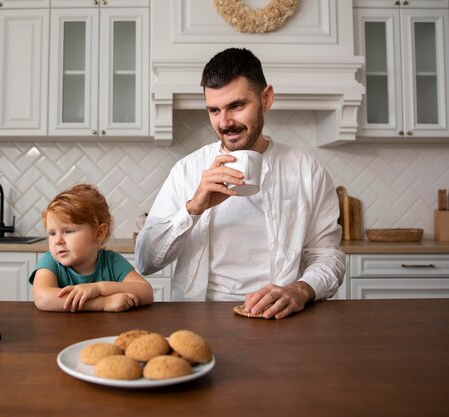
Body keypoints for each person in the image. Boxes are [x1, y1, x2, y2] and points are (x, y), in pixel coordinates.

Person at [135, 48, 345, 319]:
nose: (225, 123)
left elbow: (328, 256)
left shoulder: (307, 170)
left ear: (266, 98)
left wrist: (301, 290)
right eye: (214, 110)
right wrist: (192, 208)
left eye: (236, 106)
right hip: (200, 316)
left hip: (279, 317)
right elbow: (146, 262)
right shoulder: (187, 171)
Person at [30, 183, 154, 312]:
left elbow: (146, 292)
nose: (57, 241)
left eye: (68, 231)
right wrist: (104, 302)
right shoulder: (50, 262)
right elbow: (42, 298)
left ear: (99, 233)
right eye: (52, 233)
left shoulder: (112, 262)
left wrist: (98, 288)